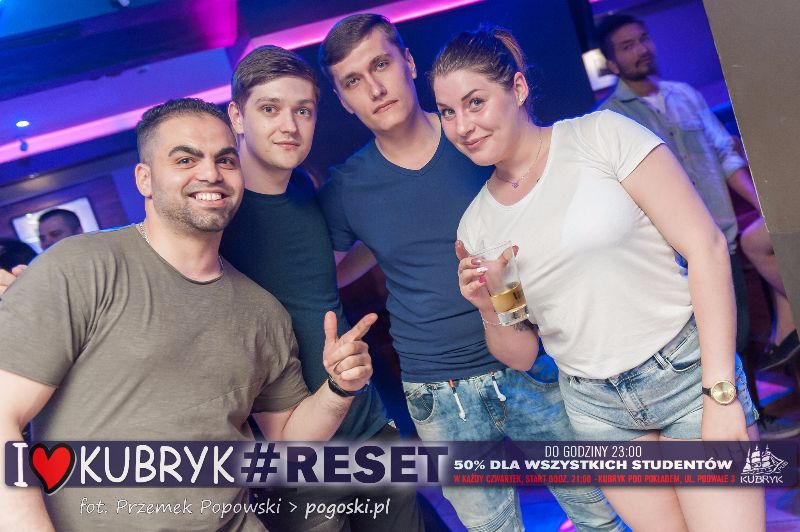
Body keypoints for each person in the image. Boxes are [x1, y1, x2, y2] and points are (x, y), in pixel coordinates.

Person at [432, 27, 765, 531]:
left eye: (475, 102)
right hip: (597, 410)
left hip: (686, 376)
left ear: (517, 88)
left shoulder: (601, 136)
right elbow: (521, 353)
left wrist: (720, 392)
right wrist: (487, 304)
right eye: (447, 112)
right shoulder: (478, 225)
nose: (462, 125)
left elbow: (706, 247)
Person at [0, 98, 376, 531]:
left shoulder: (262, 311)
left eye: (225, 159)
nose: (210, 173)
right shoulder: (81, 267)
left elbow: (288, 442)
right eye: (185, 159)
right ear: (144, 179)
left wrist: (339, 387)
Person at [318, 14, 622, 532]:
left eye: (381, 64)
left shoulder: (477, 137)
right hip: (437, 388)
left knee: (599, 513)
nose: (374, 88)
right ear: (343, 100)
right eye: (353, 81)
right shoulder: (347, 188)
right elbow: (335, 269)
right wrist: (380, 248)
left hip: (532, 359)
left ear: (408, 62)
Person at [219, 45, 423, 531]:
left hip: (368, 427)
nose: (289, 126)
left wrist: (383, 237)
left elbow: (321, 279)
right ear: (237, 116)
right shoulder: (219, 215)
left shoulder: (303, 189)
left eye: (303, 111)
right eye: (270, 109)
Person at [594, 15, 799, 408]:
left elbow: (724, 156)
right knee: (703, 344)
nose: (641, 50)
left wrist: (763, 205)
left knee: (740, 333)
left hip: (722, 238)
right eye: (627, 46)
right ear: (612, 63)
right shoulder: (610, 119)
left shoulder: (685, 95)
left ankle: (757, 415)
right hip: (673, 257)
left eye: (643, 39)